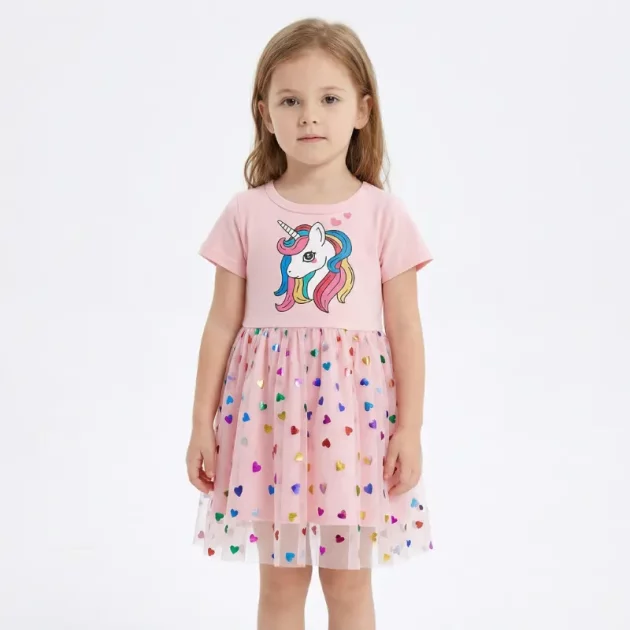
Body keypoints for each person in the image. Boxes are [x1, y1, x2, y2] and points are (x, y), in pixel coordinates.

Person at [186, 17, 434, 630]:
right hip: (268, 424)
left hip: (354, 425)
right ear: (265, 114)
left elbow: (406, 330)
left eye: (329, 99)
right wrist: (200, 423)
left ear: (362, 110)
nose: (309, 117)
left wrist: (410, 428)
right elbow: (220, 325)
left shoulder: (383, 215)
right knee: (280, 585)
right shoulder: (246, 212)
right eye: (291, 101)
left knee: (349, 586)